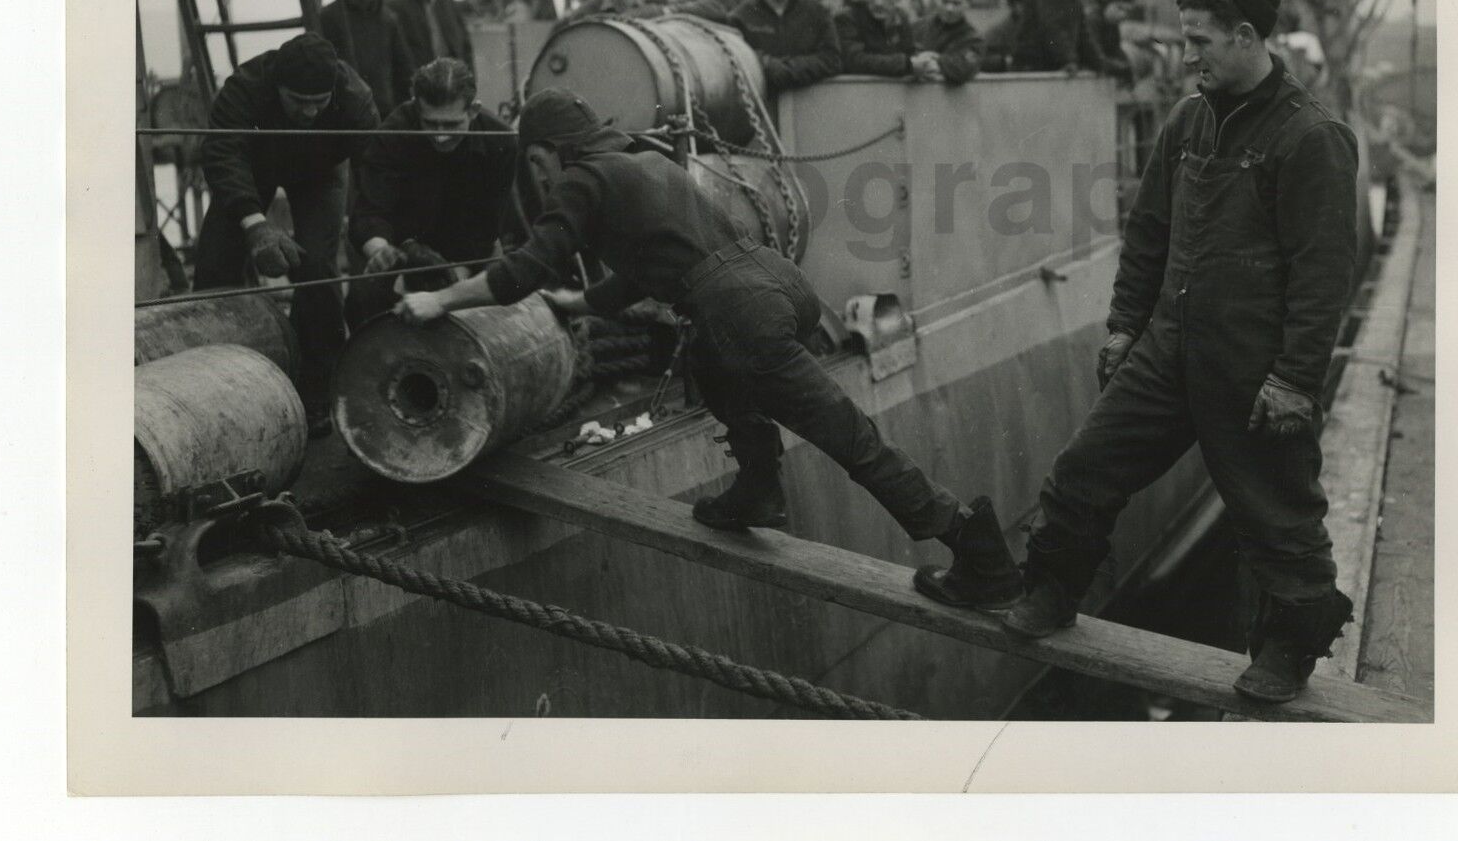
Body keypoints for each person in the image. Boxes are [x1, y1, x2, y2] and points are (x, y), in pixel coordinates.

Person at [394, 89, 1022, 606]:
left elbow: (523, 271)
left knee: (851, 441)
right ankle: (758, 489)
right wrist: (579, 304)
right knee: (710, 362)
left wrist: (440, 302)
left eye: (536, 166)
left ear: (546, 154)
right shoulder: (644, 161)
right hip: (775, 281)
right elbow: (645, 271)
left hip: (738, 311)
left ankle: (975, 549)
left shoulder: (582, 179)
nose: (539, 178)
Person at [977, 0, 1360, 704]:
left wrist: (1293, 379)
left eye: (1200, 41)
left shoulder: (1311, 138)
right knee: (1082, 470)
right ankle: (1055, 590)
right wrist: (1124, 327)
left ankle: (1286, 648)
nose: (1186, 56)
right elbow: (1148, 233)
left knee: (1279, 517)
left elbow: (1324, 277)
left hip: (1252, 371)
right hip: (1168, 347)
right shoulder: (1188, 122)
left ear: (1247, 37)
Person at [193, 33, 379, 431]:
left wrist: (380, 236)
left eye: (319, 103)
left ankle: (317, 388)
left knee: (317, 268)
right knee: (215, 264)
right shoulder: (245, 86)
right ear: (277, 87)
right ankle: (212, 381)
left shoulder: (356, 99)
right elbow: (222, 153)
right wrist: (255, 225)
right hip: (253, 167)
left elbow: (378, 172)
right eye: (299, 102)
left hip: (321, 173)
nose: (310, 113)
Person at [346, 58, 518, 329]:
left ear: (473, 111)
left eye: (451, 125)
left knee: (496, 316)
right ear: (417, 108)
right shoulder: (391, 134)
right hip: (401, 246)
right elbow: (370, 210)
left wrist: (454, 282)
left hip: (470, 250)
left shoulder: (501, 141)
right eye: (431, 124)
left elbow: (487, 226)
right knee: (362, 303)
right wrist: (379, 250)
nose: (439, 136)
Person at [685, 0, 841, 96]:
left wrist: (785, 70)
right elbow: (732, 56)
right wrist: (765, 64)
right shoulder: (743, 15)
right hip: (760, 104)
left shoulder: (817, 14)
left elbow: (832, 59)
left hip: (807, 103)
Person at [319, 0, 415, 116]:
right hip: (344, 114)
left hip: (385, 112)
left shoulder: (388, 19)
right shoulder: (329, 18)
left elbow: (404, 71)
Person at [833, 0, 924, 78]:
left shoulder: (901, 17)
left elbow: (909, 52)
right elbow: (854, 61)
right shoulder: (846, 19)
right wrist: (906, 64)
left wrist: (922, 58)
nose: (879, 2)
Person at [911, 0, 985, 85]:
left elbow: (964, 68)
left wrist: (936, 60)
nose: (949, 8)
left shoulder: (974, 39)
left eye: (956, 3)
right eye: (944, 1)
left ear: (968, 3)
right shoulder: (916, 28)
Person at [980, 0, 1030, 73]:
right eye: (1029, 4)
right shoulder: (999, 32)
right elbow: (979, 58)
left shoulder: (1040, 27)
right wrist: (1006, 61)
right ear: (1016, 6)